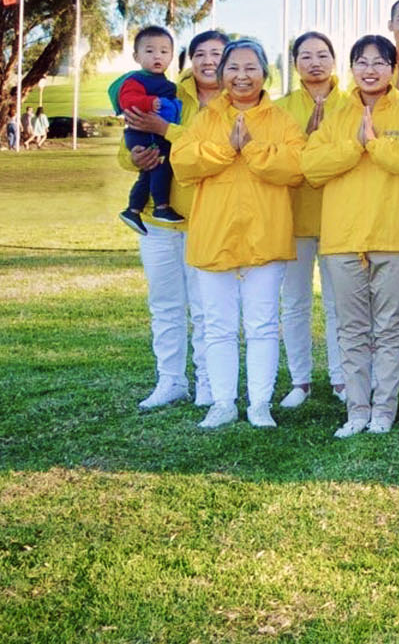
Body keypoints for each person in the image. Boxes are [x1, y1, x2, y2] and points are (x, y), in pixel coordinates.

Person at [302, 35, 399, 438]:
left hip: (394, 236)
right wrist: (353, 146)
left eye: (379, 62)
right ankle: (357, 410)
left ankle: (384, 410)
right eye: (362, 62)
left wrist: (375, 146)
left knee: (392, 327)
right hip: (343, 238)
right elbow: (312, 167)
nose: (370, 70)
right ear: (352, 69)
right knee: (352, 328)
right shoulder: (336, 116)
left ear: (393, 69)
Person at [173, 38, 305, 429]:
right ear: (221, 73)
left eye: (251, 68)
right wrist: (226, 148)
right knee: (217, 326)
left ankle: (260, 404)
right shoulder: (206, 118)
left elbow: (296, 167)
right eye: (233, 68)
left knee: (262, 325)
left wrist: (251, 149)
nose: (242, 76)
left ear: (265, 73)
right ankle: (223, 402)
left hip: (266, 234)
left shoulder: (282, 120)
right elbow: (183, 162)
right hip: (214, 234)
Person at [122, 28, 226, 410]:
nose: (208, 61)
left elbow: (216, 153)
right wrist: (133, 157)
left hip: (207, 219)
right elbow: (128, 142)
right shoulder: (167, 92)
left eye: (217, 54)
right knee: (165, 304)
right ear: (189, 60)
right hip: (158, 220)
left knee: (206, 308)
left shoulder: (235, 103)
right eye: (200, 54)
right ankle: (171, 380)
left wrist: (167, 130)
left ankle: (209, 383)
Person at [274, 32, 349, 407]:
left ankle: (341, 378)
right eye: (306, 56)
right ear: (294, 64)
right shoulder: (280, 109)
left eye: (322, 55)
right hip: (293, 217)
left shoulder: (351, 105)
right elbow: (279, 159)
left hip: (340, 217)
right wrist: (308, 141)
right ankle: (300, 380)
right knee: (295, 303)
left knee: (340, 304)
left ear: (334, 60)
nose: (315, 63)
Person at [114, 25, 186, 233]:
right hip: (143, 133)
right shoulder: (136, 80)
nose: (157, 56)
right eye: (150, 51)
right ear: (136, 56)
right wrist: (148, 102)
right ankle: (161, 207)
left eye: (164, 51)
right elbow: (127, 100)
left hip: (154, 132)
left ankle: (133, 210)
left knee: (148, 173)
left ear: (171, 56)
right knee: (161, 165)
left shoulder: (166, 83)